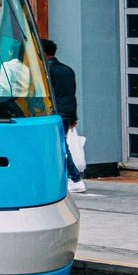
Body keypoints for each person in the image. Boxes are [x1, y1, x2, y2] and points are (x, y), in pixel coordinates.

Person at [43, 38, 85, 192]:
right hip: (67, 112)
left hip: (54, 113)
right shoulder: (67, 69)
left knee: (60, 146)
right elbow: (71, 94)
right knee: (61, 145)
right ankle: (69, 178)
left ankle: (74, 178)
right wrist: (73, 116)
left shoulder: (45, 71)